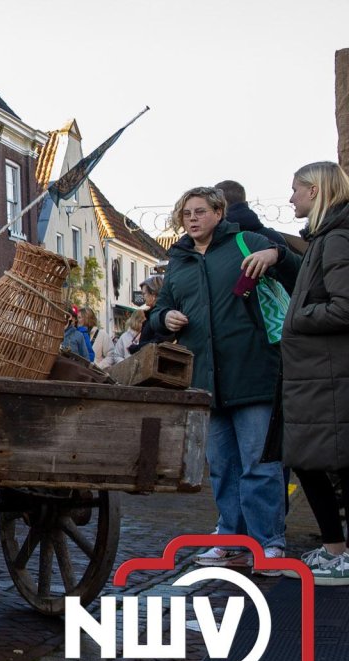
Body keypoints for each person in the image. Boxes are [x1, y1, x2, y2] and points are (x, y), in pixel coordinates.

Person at [148, 186, 300, 570]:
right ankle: (231, 538)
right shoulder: (178, 262)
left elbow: (297, 271)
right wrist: (164, 319)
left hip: (254, 370)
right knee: (222, 466)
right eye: (186, 214)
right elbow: (159, 311)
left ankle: (269, 542)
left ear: (219, 213)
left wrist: (276, 252)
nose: (193, 219)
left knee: (259, 464)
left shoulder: (247, 242)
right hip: (205, 378)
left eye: (200, 211)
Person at [280, 161, 349, 585]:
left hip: (326, 376)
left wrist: (299, 317)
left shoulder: (336, 240)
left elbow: (345, 306)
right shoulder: (324, 239)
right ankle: (334, 548)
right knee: (313, 462)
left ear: (315, 191)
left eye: (295, 190)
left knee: (319, 463)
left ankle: (339, 551)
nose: (290, 199)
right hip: (315, 374)